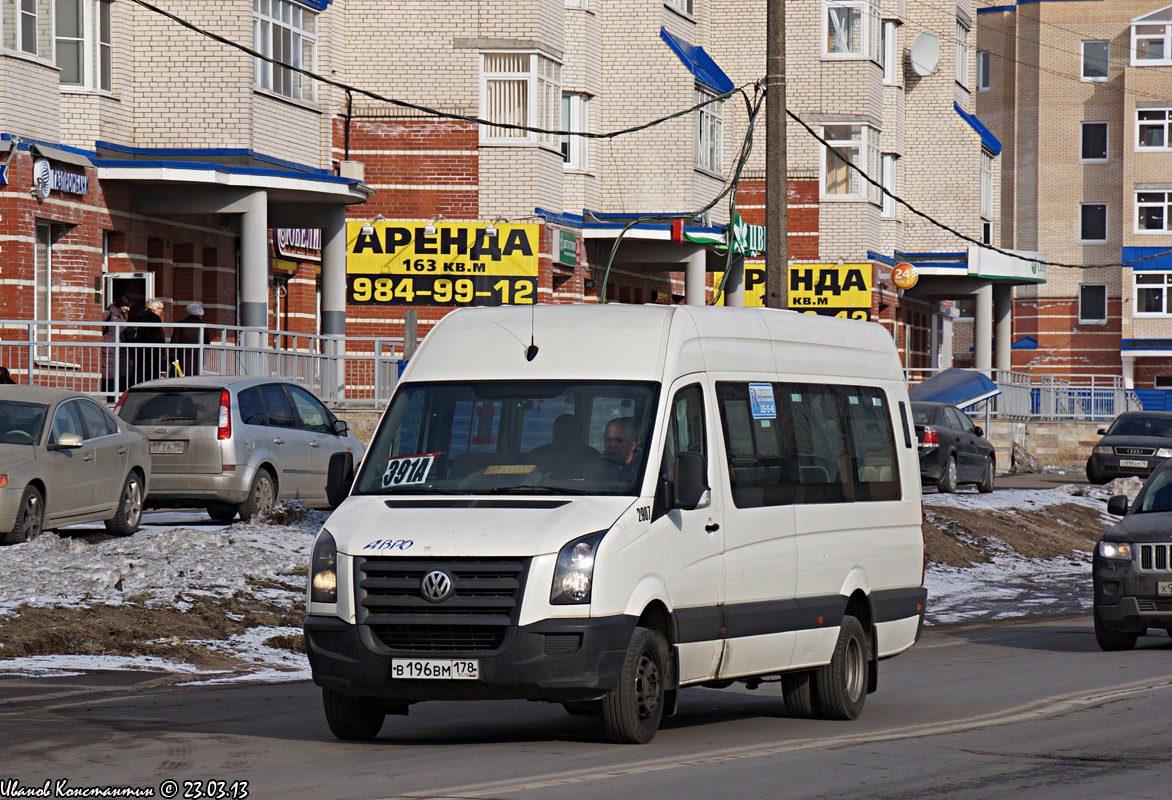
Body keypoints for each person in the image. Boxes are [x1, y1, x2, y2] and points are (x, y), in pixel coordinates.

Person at [532, 414, 598, 476]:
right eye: (557, 436)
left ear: (579, 437)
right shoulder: (540, 455)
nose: (561, 441)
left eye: (568, 436)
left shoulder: (592, 458)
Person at [100, 296, 132, 395]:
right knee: (108, 368)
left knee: (119, 369)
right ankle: (108, 391)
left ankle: (116, 391)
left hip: (120, 344)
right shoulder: (108, 313)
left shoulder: (124, 315)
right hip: (109, 343)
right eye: (126, 306)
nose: (128, 309)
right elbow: (98, 324)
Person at [133, 298, 167, 384]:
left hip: (143, 355)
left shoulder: (143, 319)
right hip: (153, 355)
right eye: (159, 308)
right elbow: (156, 338)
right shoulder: (155, 320)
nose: (161, 311)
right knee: (152, 379)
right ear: (153, 309)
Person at [170, 302, 204, 376]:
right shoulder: (203, 326)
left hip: (181, 355)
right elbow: (206, 342)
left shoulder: (181, 323)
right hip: (197, 356)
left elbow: (174, 341)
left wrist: (171, 357)